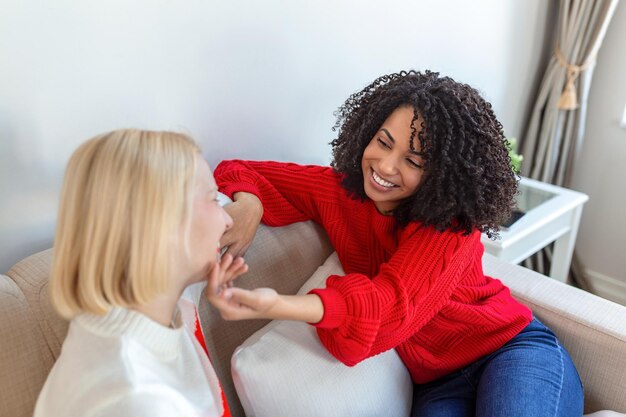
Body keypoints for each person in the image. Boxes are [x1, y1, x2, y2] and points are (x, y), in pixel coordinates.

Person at [206, 71, 584, 416]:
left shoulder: (450, 228)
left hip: (511, 351)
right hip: (438, 384)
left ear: (441, 173)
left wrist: (279, 304)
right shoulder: (341, 193)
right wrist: (250, 205)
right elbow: (242, 169)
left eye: (413, 161)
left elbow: (392, 305)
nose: (385, 166)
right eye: (383, 142)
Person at [34, 129, 248, 417]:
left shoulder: (135, 311)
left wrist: (252, 206)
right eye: (212, 200)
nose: (227, 220)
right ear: (161, 223)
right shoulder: (138, 399)